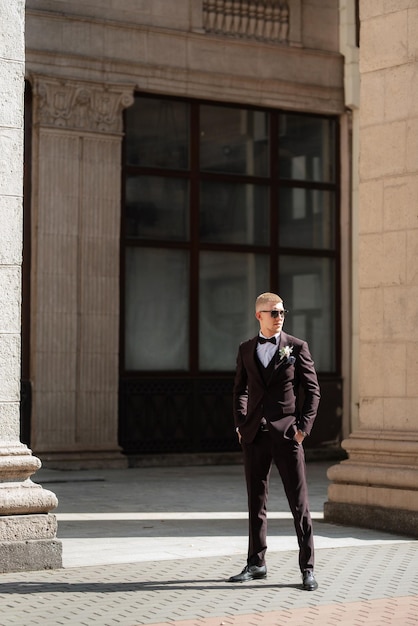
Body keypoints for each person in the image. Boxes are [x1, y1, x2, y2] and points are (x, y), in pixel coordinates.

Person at [229, 292, 320, 591]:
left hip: (287, 435)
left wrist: (302, 429)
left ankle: (307, 568)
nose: (279, 316)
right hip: (255, 436)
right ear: (259, 316)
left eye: (282, 312)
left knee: (299, 505)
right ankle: (256, 563)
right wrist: (242, 424)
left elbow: (312, 391)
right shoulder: (245, 350)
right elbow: (239, 390)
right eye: (273, 312)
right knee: (256, 502)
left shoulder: (297, 347)